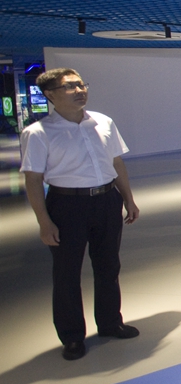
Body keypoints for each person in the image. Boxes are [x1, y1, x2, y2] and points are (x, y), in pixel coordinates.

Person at [20, 68, 140, 361]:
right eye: (70, 87)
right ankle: (72, 336)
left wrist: (128, 198)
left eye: (81, 84)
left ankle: (110, 322)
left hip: (106, 200)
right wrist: (44, 222)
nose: (80, 90)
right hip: (67, 206)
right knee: (67, 273)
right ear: (50, 95)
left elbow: (116, 163)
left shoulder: (103, 122)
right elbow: (33, 180)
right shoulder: (37, 133)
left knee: (108, 265)